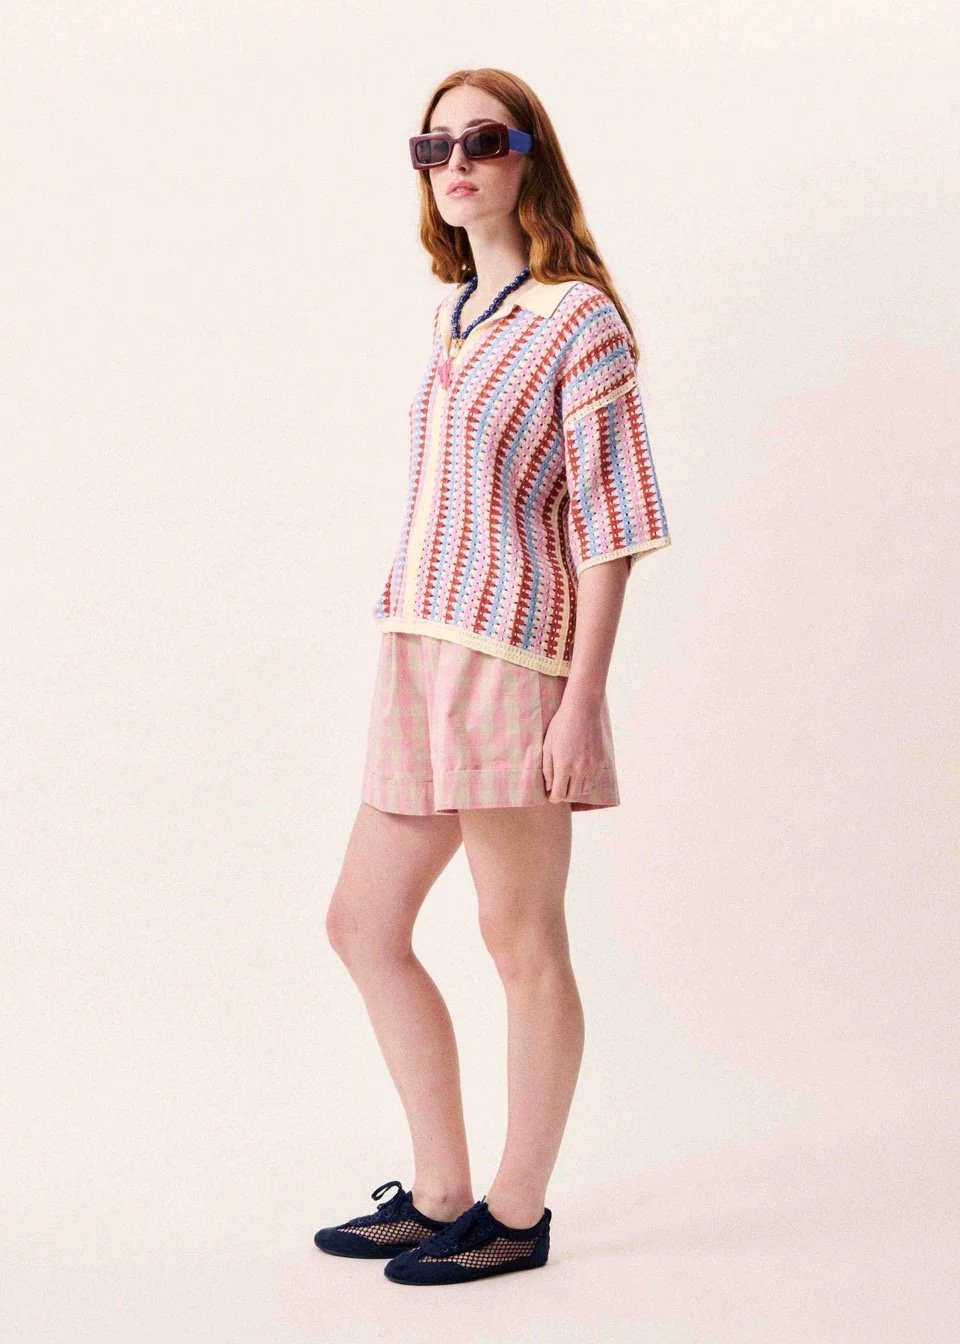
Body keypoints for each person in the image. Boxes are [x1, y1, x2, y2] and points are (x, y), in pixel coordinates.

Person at [315, 68, 671, 1287]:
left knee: (519, 938)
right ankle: (439, 1192)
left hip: (514, 657)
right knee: (362, 924)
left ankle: (514, 1214)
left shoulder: (580, 320)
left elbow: (613, 524)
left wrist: (581, 700)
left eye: (483, 140)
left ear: (530, 158)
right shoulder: (456, 316)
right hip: (416, 643)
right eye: (435, 147)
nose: (456, 163)